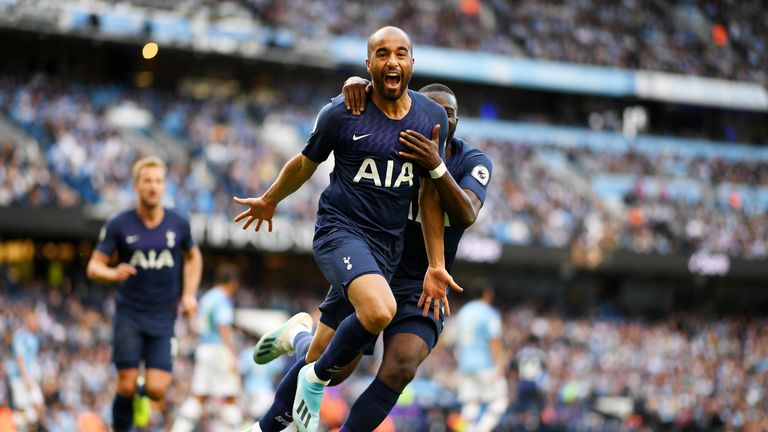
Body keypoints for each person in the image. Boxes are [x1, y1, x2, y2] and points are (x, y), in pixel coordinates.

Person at [235, 26, 460, 432]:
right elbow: (306, 162)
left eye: (401, 53)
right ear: (369, 63)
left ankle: (279, 389)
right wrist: (270, 199)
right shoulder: (342, 111)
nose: (393, 61)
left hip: (386, 252)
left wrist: (436, 263)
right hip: (340, 233)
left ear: (412, 63)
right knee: (376, 312)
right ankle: (314, 382)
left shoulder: (430, 119)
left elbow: (429, 195)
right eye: (383, 54)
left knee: (327, 357)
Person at [86, 156, 203, 432]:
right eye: (147, 181)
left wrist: (189, 294)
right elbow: (93, 266)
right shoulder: (119, 224)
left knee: (157, 389)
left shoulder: (178, 223)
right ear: (136, 185)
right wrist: (111, 273)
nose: (153, 186)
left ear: (164, 186)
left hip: (163, 318)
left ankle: (142, 393)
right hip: (130, 315)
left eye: (159, 181)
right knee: (125, 383)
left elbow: (193, 256)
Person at [171, 263, 243, 432]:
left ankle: (178, 428)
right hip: (219, 349)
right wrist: (232, 355)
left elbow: (196, 324)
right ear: (232, 282)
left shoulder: (207, 297)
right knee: (230, 396)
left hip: (204, 348)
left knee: (199, 396)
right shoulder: (223, 299)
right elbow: (223, 326)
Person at [454, 283, 508, 432]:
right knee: (500, 399)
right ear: (487, 295)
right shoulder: (488, 312)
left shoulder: (463, 312)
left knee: (471, 403)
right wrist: (500, 364)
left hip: (465, 363)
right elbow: (494, 340)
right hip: (485, 363)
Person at [5, 309, 45, 432]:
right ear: (27, 320)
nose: (36, 322)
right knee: (22, 410)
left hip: (29, 377)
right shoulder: (20, 336)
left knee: (36, 408)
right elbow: (20, 358)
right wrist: (25, 377)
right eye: (34, 320)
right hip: (19, 378)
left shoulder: (33, 336)